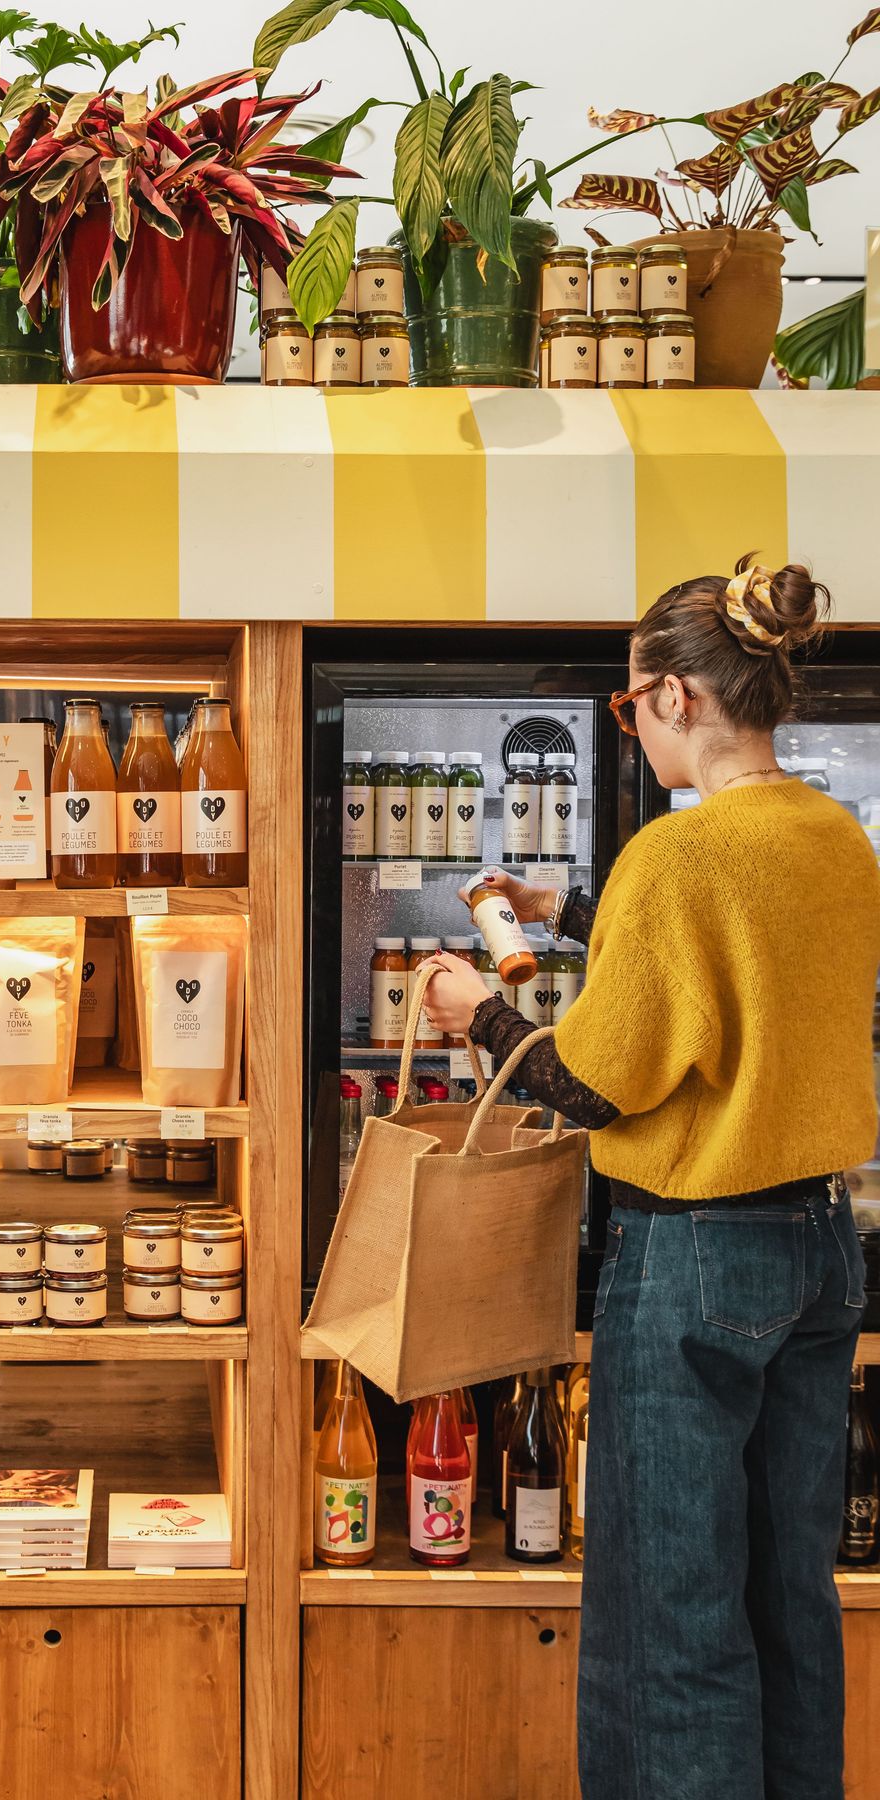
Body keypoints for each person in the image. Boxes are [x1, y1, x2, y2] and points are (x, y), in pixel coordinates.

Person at [419, 555, 880, 1800]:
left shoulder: (677, 858)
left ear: (674, 697)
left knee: (668, 1614)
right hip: (822, 1254)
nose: (634, 728)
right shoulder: (832, 836)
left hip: (693, 1258)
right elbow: (735, 966)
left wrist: (476, 1013)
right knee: (788, 1596)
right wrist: (561, 909)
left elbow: (594, 1086)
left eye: (628, 708)